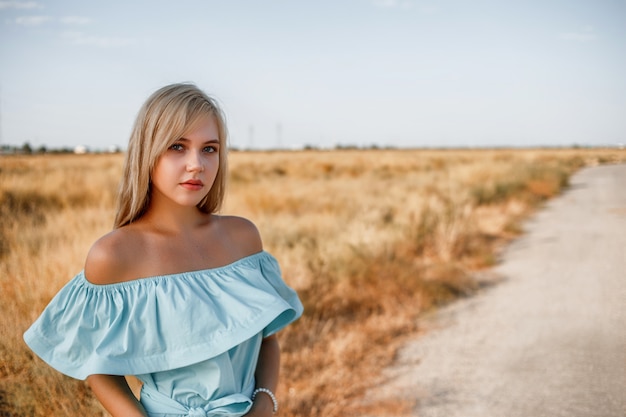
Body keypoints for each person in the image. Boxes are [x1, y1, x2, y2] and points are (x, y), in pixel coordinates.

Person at [24, 83, 303, 417]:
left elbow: (267, 339)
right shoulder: (113, 255)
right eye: (177, 146)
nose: (196, 164)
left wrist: (264, 407)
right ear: (147, 151)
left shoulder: (243, 237)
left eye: (209, 149)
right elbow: (98, 366)